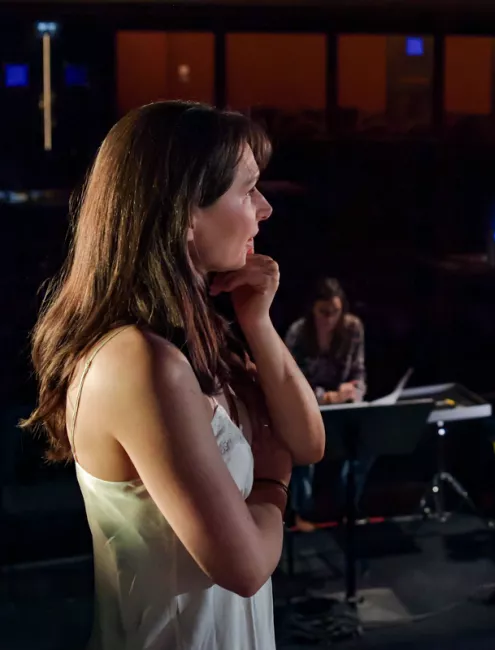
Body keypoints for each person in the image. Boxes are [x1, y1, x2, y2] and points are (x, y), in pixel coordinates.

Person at [20, 100, 325, 650]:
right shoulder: (140, 361)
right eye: (247, 189)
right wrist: (273, 482)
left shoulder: (189, 340)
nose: (264, 209)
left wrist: (258, 321)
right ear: (186, 212)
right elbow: (244, 566)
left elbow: (308, 440)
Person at [283, 277, 367, 531]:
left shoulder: (352, 328)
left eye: (336, 312)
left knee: (366, 442)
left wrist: (354, 391)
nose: (330, 318)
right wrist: (325, 397)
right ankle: (301, 512)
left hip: (343, 408)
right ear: (313, 309)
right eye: (324, 312)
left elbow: (359, 372)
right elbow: (288, 381)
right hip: (307, 407)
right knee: (301, 448)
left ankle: (347, 507)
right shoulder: (298, 333)